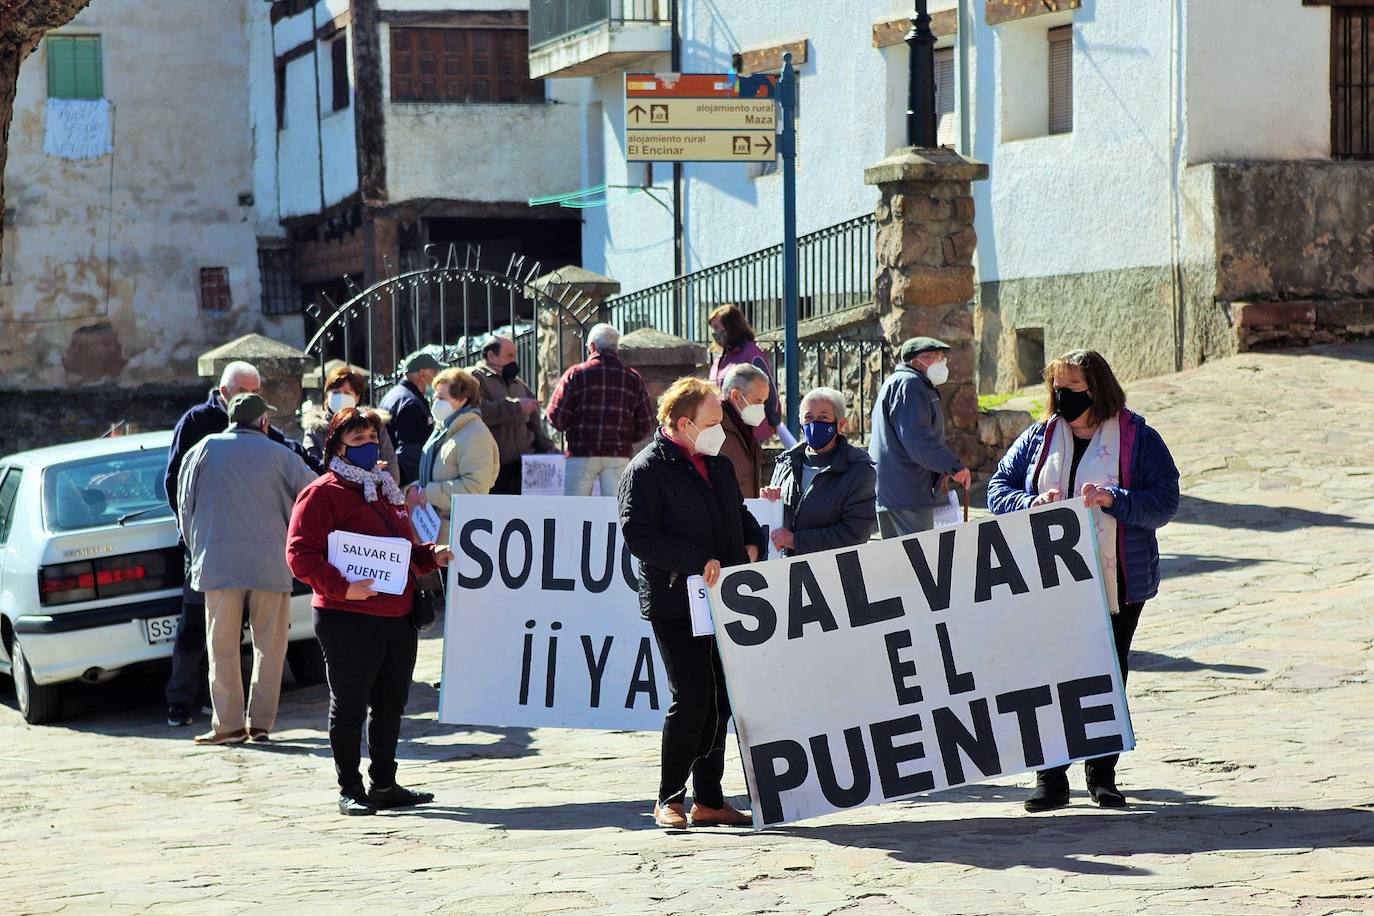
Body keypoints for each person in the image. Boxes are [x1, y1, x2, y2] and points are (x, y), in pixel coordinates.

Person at [987, 348, 1179, 813]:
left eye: (1072, 389)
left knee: (1106, 675)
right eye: (1057, 388)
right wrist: (1028, 503)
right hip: (1048, 583)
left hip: (1119, 583)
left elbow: (1165, 501)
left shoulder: (1136, 437)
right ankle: (1050, 778)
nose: (1061, 396)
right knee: (1049, 674)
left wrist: (1114, 498)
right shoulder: (1038, 437)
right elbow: (998, 489)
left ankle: (1101, 775)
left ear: (1097, 390)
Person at [286, 407, 451, 816]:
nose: (368, 447)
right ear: (337, 447)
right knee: (350, 703)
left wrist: (432, 557)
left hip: (397, 614)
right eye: (357, 441)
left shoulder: (387, 490)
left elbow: (401, 551)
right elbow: (299, 554)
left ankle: (384, 783)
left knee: (391, 701)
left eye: (372, 440)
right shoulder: (322, 492)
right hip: (347, 616)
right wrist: (343, 587)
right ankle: (350, 789)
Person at [618, 376, 767, 830]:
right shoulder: (645, 470)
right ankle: (669, 797)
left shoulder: (717, 464)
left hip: (722, 600)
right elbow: (638, 536)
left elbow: (738, 515)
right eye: (713, 422)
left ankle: (710, 799)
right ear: (684, 424)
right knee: (692, 698)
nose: (722, 429)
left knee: (721, 701)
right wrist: (695, 561)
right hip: (674, 600)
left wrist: (752, 543)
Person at [162, 360, 320, 729]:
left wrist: (195, 541)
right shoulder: (280, 452)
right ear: (263, 419)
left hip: (216, 559)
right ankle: (261, 724)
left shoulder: (201, 450)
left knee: (221, 646)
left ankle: (228, 725)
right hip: (269, 559)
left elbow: (182, 500)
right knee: (270, 646)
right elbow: (312, 493)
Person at [868, 337, 972, 538]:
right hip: (909, 491)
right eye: (933, 357)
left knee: (900, 560)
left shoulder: (897, 383)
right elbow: (918, 441)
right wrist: (954, 466)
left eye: (942, 357)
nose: (941, 362)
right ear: (915, 361)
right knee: (920, 559)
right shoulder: (912, 385)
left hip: (893, 491)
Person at [761, 387, 877, 556]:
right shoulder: (785, 463)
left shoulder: (858, 471)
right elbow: (774, 522)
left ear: (841, 424)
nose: (814, 424)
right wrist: (769, 501)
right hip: (786, 570)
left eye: (823, 418)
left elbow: (855, 534)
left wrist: (795, 540)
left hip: (830, 573)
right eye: (808, 418)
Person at [546, 323, 655, 496]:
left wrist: (571, 428)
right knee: (614, 509)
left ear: (592, 346)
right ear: (616, 349)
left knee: (575, 509)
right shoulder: (632, 378)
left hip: (581, 452)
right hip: (617, 453)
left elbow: (556, 416)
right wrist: (626, 437)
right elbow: (646, 422)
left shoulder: (575, 374)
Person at [417, 367, 500, 546]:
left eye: (442, 398)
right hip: (436, 530)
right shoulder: (444, 430)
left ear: (462, 400)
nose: (435, 403)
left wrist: (428, 493)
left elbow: (475, 488)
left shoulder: (475, 434)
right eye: (435, 397)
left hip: (458, 535)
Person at [473, 335, 556, 494]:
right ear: (491, 356)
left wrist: (548, 448)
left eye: (514, 355)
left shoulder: (518, 383)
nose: (513, 360)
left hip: (523, 465)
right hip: (494, 466)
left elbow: (534, 424)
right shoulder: (475, 379)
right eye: (509, 355)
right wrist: (515, 406)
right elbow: (479, 411)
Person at [303, 364, 400, 485]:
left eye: (347, 393)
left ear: (357, 397)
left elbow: (391, 469)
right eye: (336, 392)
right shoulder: (316, 429)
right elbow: (311, 469)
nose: (341, 397)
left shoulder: (374, 425)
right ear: (327, 396)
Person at [707, 304, 782, 444]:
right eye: (713, 329)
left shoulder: (752, 353)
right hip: (725, 432)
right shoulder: (719, 360)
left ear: (730, 326)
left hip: (751, 431)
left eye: (717, 327)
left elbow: (768, 388)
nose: (714, 333)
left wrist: (774, 420)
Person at [378, 351, 443, 488]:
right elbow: (410, 452)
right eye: (435, 373)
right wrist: (417, 486)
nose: (438, 379)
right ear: (423, 373)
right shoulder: (411, 403)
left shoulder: (393, 396)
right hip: (406, 482)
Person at [717, 363, 771, 498]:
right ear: (736, 396)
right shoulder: (714, 428)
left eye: (764, 402)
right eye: (757, 401)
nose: (761, 408)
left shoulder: (744, 426)